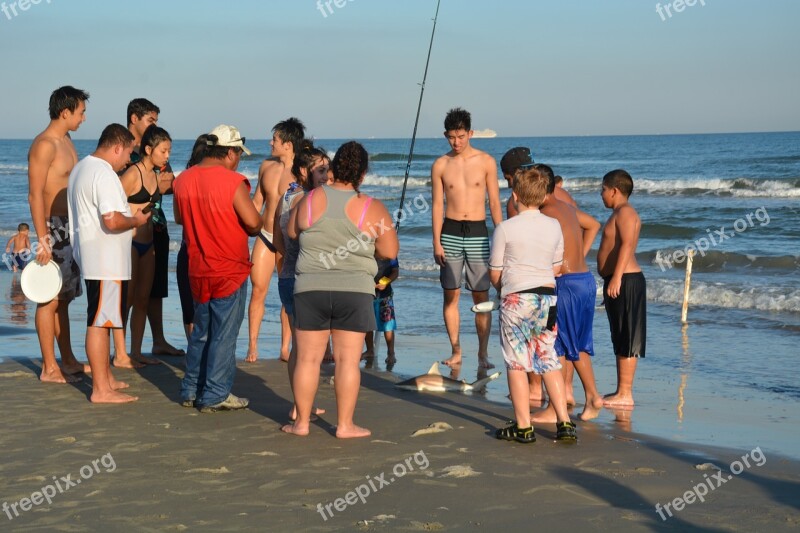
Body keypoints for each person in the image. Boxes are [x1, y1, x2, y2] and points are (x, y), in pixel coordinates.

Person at [282, 141, 399, 438]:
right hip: (355, 291)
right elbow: (389, 250)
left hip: (310, 287)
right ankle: (345, 425)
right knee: (348, 360)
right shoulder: (372, 207)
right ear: (362, 174)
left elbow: (293, 232)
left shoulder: (310, 199)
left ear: (334, 167)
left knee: (307, 358)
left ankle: (302, 423)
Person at [173, 125, 261, 412]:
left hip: (197, 266)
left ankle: (191, 388)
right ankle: (215, 393)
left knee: (201, 331)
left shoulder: (183, 179)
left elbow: (178, 217)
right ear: (230, 152)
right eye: (238, 154)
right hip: (229, 268)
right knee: (224, 333)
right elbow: (253, 223)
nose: (239, 160)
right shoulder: (233, 181)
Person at [490, 166, 576, 443]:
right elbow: (556, 266)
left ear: (515, 195)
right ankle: (564, 422)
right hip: (547, 296)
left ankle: (524, 426)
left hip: (516, 295)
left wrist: (502, 288)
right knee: (547, 357)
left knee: (517, 362)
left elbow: (495, 271)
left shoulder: (505, 228)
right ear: (543, 197)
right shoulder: (553, 225)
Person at [68, 123, 151, 403]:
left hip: (95, 257)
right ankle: (100, 389)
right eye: (127, 153)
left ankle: (106, 379)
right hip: (105, 261)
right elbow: (112, 220)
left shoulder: (83, 167)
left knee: (101, 317)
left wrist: (127, 213)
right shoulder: (103, 173)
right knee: (100, 322)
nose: (128, 160)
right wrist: (136, 220)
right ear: (117, 147)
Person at [528, 164, 603, 423]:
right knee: (570, 343)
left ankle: (591, 396)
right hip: (584, 280)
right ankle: (560, 404)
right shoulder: (567, 208)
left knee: (561, 343)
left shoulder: (545, 214)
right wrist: (578, 256)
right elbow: (593, 225)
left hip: (566, 285)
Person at [27, 85, 90, 383]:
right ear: (65, 112)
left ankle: (67, 359)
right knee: (48, 297)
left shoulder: (66, 140)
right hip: (52, 228)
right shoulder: (45, 145)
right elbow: (35, 195)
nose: (83, 118)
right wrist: (43, 238)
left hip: (70, 227)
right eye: (81, 112)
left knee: (64, 298)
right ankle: (49, 368)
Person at [431, 108, 502, 369]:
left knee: (480, 297)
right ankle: (457, 350)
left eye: (461, 136)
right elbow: (437, 204)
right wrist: (436, 240)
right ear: (445, 136)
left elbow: (494, 202)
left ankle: (483, 353)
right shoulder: (440, 164)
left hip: (477, 232)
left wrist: (502, 236)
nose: (457, 142)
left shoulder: (486, 162)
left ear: (470, 133)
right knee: (451, 295)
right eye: (452, 137)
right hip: (449, 232)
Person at [272, 142, 330, 421]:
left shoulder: (286, 195)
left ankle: (300, 403)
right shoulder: (309, 199)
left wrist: (289, 260)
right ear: (305, 170)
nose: (326, 175)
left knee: (299, 345)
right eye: (321, 170)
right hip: (305, 280)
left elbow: (276, 240)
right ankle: (300, 406)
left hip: (286, 276)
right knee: (309, 349)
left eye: (327, 170)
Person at [124, 98, 184, 357]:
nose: (154, 125)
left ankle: (157, 340)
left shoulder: (160, 149)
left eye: (156, 121)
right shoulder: (123, 149)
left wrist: (165, 184)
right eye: (151, 120)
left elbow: (168, 184)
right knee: (129, 292)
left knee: (155, 288)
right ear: (134, 119)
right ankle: (121, 349)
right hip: (131, 230)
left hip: (157, 225)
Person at [248, 118, 306, 362]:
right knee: (258, 289)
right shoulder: (266, 166)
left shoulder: (302, 172)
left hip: (289, 239)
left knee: (287, 294)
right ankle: (252, 345)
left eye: (276, 139)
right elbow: (257, 203)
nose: (271, 143)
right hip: (265, 234)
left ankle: (286, 347)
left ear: (288, 144)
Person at [116, 124, 172, 368]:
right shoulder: (132, 174)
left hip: (148, 244)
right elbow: (113, 205)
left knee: (142, 299)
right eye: (163, 151)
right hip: (129, 243)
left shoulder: (157, 175)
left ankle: (136, 352)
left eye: (169, 151)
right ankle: (120, 354)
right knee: (126, 300)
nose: (167, 156)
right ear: (148, 149)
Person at [597, 169, 646, 407]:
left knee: (627, 335)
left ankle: (625, 393)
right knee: (620, 334)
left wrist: (616, 277)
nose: (601, 194)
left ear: (615, 190)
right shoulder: (620, 212)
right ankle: (621, 391)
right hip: (621, 279)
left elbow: (627, 245)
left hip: (625, 279)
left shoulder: (625, 212)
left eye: (603, 190)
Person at [362, 258, 399, 368]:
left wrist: (386, 282)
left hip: (385, 294)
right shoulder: (367, 249)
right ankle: (369, 350)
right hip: (367, 291)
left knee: (388, 324)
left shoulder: (390, 254)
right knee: (367, 323)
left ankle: (391, 353)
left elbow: (395, 271)